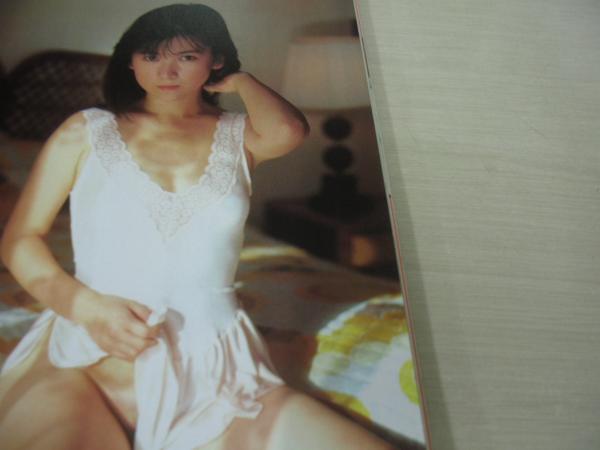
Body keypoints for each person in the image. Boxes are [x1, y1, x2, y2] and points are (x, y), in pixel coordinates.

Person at [0, 4, 395, 450]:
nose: (166, 71)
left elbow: (290, 130)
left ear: (216, 60)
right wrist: (85, 307)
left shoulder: (239, 135)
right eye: (151, 55)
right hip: (87, 361)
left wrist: (241, 81)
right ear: (130, 61)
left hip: (217, 375)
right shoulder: (86, 130)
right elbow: (20, 240)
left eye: (186, 57)